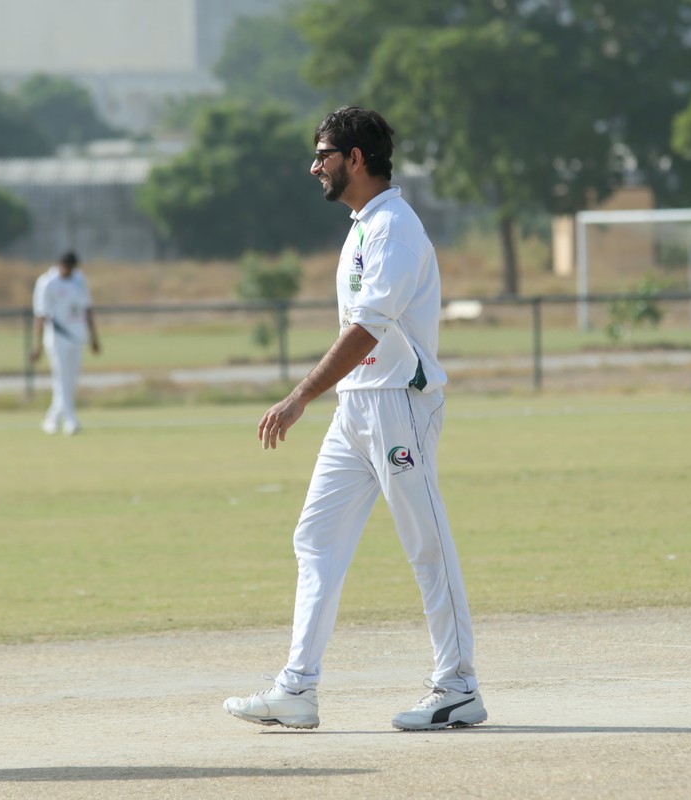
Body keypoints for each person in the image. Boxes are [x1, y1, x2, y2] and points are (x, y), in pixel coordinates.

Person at [223, 107, 484, 731]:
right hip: (357, 407)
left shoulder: (394, 228)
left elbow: (368, 328)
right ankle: (297, 688)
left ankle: (459, 688)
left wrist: (299, 397)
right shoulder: (365, 225)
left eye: (323, 155)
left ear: (356, 159)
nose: (314, 167)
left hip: (398, 404)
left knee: (426, 544)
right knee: (316, 538)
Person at [31, 250, 99, 435]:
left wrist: (94, 338)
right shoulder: (47, 282)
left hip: (77, 336)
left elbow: (87, 309)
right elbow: (40, 314)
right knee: (61, 378)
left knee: (70, 380)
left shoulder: (79, 280)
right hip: (57, 337)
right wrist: (37, 346)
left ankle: (52, 417)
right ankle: (71, 419)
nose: (69, 272)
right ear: (59, 266)